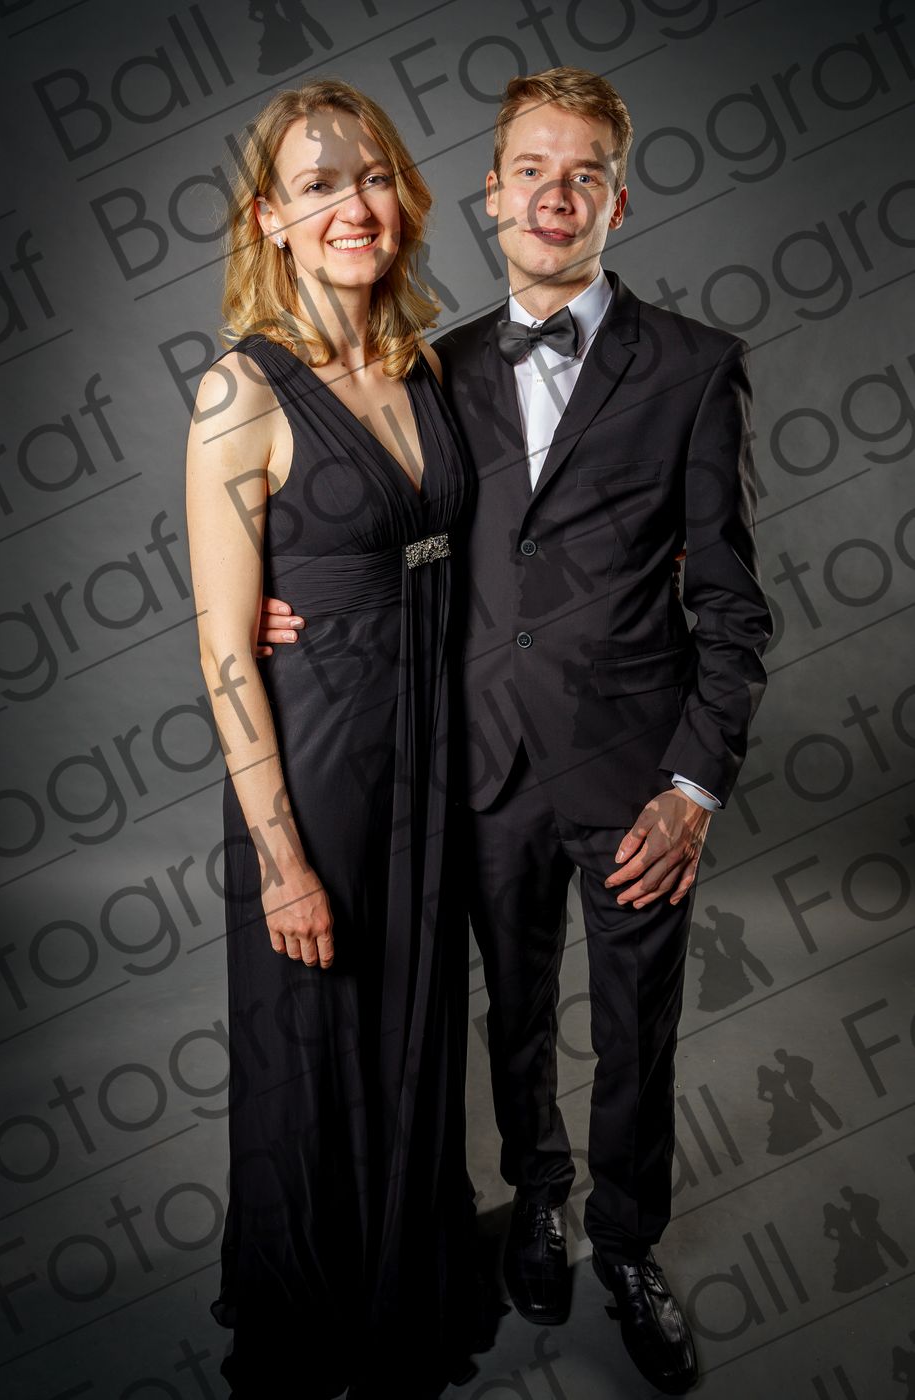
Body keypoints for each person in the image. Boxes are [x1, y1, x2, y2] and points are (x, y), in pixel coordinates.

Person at [257, 66, 772, 1395]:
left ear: (617, 201)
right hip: (475, 764)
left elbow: (731, 605)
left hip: (635, 775)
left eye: (583, 173)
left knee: (639, 1024)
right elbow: (386, 526)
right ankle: (537, 1198)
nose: (554, 193)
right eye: (529, 170)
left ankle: (628, 1243)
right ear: (490, 196)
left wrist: (693, 786)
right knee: (514, 1014)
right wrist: (285, 595)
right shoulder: (435, 367)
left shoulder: (695, 369)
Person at [186, 79, 488, 1399]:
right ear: (271, 217)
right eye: (318, 186)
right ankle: (314, 1322)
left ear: (401, 196)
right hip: (315, 767)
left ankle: (404, 1284)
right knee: (313, 1047)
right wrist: (281, 860)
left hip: (431, 750)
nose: (352, 206)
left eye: (370, 177)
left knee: (416, 1023)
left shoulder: (424, 366)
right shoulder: (237, 393)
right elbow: (222, 653)